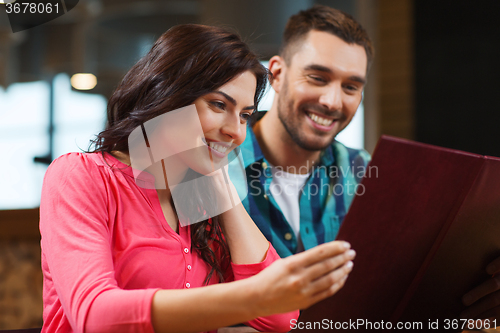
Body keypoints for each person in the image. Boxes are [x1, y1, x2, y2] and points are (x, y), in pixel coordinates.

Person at [39, 24, 356, 333]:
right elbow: (94, 315)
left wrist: (221, 187)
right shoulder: (82, 176)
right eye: (219, 105)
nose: (236, 132)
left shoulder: (198, 196)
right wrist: (248, 301)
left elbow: (279, 318)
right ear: (168, 97)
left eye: (245, 115)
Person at [239, 4, 500, 324]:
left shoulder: (366, 173)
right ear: (277, 74)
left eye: (350, 86)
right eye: (318, 77)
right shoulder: (210, 170)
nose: (332, 101)